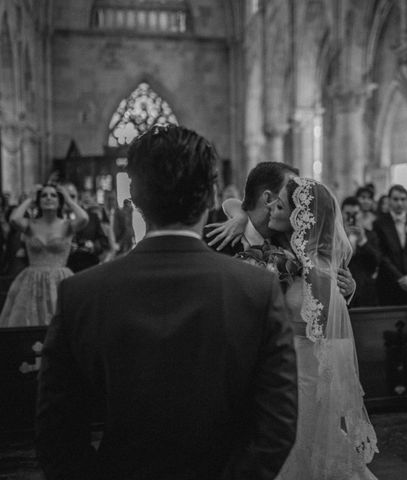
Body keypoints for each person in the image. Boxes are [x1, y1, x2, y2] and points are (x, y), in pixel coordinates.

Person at [35, 125, 298, 480]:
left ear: (136, 197)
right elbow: (277, 424)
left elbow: (58, 433)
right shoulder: (257, 289)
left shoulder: (81, 293)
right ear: (211, 197)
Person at [268, 176, 378, 479]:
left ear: (298, 216)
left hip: (304, 377)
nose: (271, 210)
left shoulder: (314, 268)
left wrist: (343, 294)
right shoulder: (293, 258)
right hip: (291, 374)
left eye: (278, 205)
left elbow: (330, 333)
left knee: (306, 450)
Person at [206, 161, 357, 299]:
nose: (297, 193)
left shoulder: (295, 244)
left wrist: (346, 291)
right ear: (268, 199)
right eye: (291, 191)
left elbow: (326, 311)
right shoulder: (216, 238)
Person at [0, 184, 88, 328]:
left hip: (60, 279)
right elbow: (14, 219)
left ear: (59, 201)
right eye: (44, 195)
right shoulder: (30, 224)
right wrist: (30, 198)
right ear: (38, 200)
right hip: (32, 280)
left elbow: (84, 218)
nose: (48, 198)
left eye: (53, 195)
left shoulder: (67, 225)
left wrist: (68, 199)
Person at [373, 185, 407, 306]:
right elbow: (380, 254)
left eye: (403, 199)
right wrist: (399, 278)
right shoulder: (379, 224)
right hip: (389, 283)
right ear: (388, 200)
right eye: (396, 199)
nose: (399, 203)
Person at [342, 196, 380, 307]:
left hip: (365, 292)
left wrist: (363, 241)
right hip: (342, 291)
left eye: (355, 213)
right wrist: (345, 238)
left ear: (360, 214)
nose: (351, 218)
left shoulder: (370, 235)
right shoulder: (335, 236)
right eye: (347, 213)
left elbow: (376, 261)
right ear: (341, 213)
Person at [64, 183, 110, 272]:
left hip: (87, 267)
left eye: (72, 196)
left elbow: (103, 242)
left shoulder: (92, 218)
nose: (68, 200)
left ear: (78, 199)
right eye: (65, 197)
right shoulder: (54, 219)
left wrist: (92, 245)